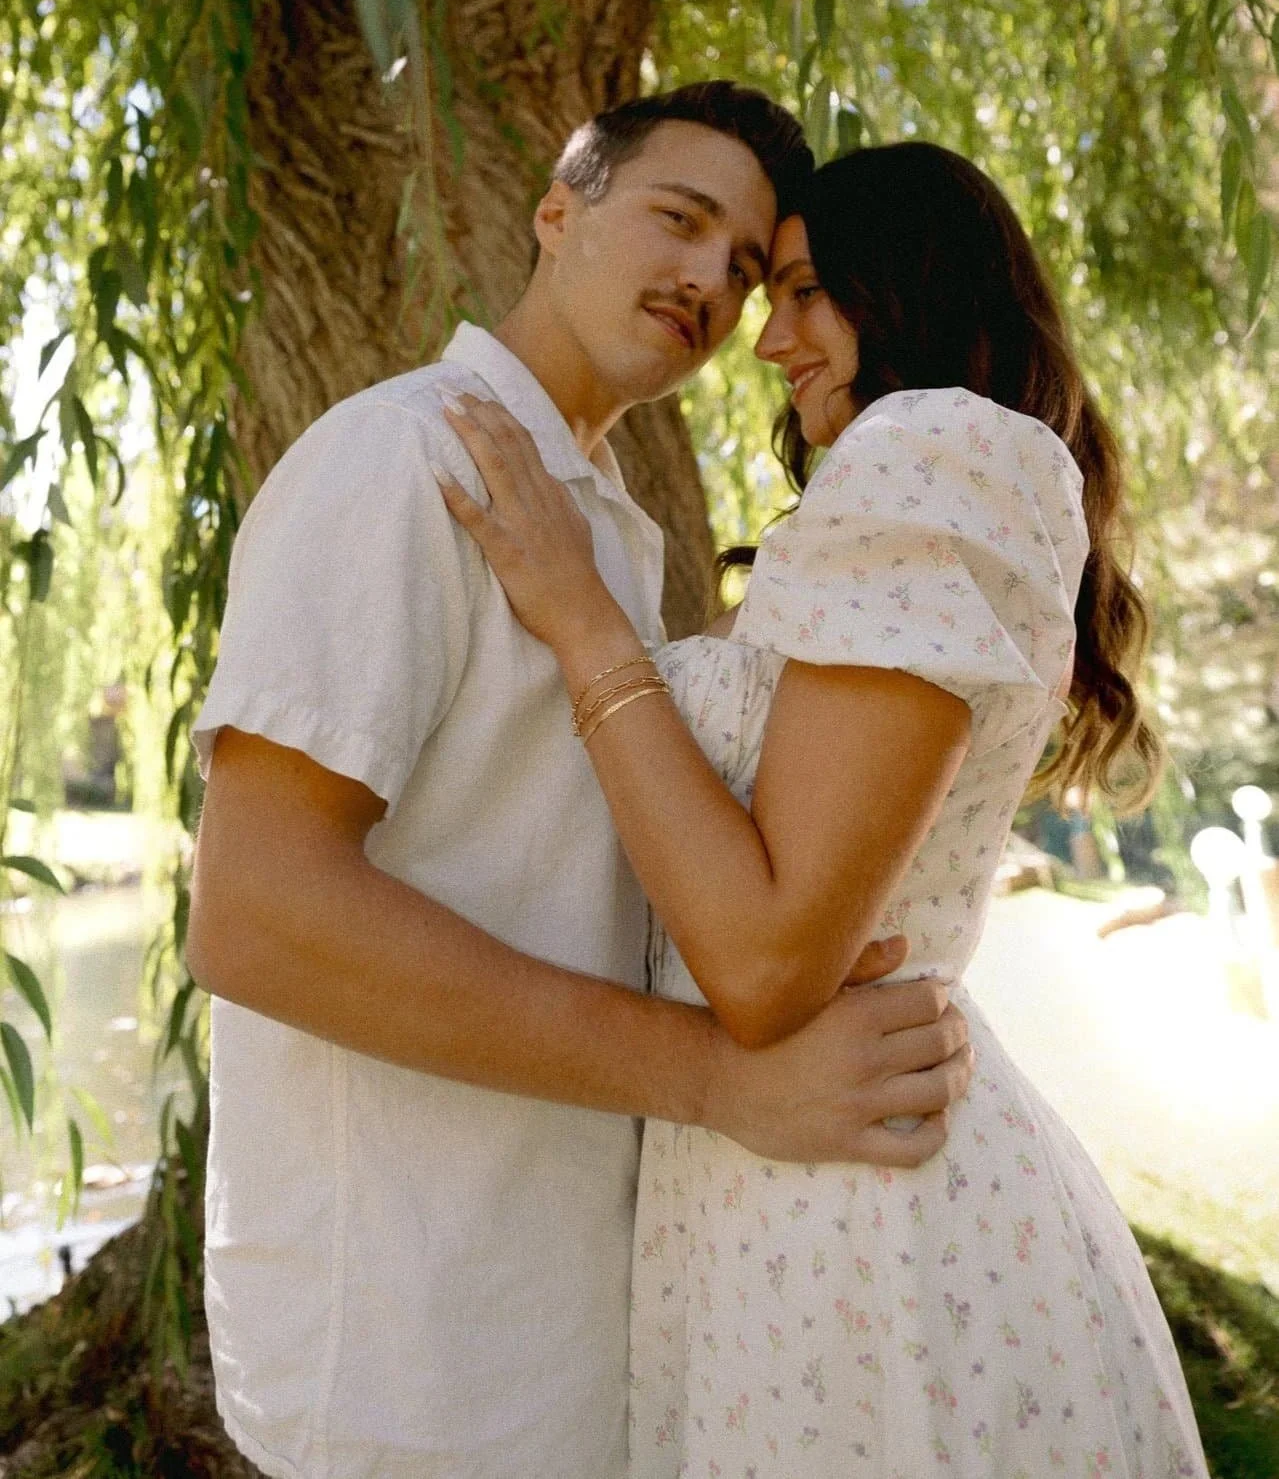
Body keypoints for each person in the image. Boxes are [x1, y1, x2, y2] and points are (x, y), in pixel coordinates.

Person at [185, 87, 975, 1479]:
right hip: (406, 1344)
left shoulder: (612, 535)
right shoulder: (402, 459)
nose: (708, 283)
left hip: (558, 1314)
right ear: (559, 211)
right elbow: (255, 911)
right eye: (679, 220)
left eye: (744, 267)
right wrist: (721, 1079)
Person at [437, 141, 1209, 1476]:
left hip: (855, 1218)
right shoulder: (923, 479)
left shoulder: (928, 452)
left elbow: (763, 963)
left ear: (899, 285)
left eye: (799, 290)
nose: (765, 340)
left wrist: (581, 620)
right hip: (796, 1173)